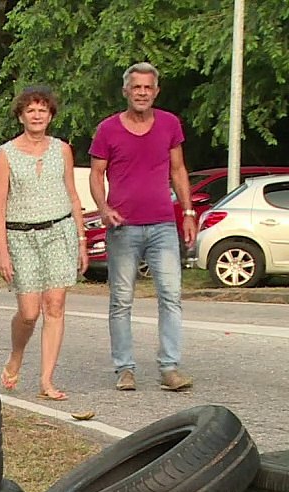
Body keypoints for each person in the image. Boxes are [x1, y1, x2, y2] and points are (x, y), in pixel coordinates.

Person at [90, 61, 196, 392]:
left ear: (156, 91)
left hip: (163, 224)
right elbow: (96, 174)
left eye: (148, 87)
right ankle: (125, 368)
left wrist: (189, 212)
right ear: (126, 91)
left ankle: (169, 367)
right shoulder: (108, 129)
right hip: (123, 227)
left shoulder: (169, 124)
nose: (142, 93)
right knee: (121, 298)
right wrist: (104, 208)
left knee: (171, 295)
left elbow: (178, 170)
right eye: (136, 87)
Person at [0, 85, 88, 402]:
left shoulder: (61, 150)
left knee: (55, 306)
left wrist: (81, 239)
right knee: (29, 312)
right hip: (21, 237)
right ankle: (16, 355)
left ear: (50, 115)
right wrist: (2, 252)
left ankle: (47, 380)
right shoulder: (6, 154)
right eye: (31, 110)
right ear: (21, 115)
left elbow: (73, 196)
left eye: (43, 110)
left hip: (59, 233)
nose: (37, 115)